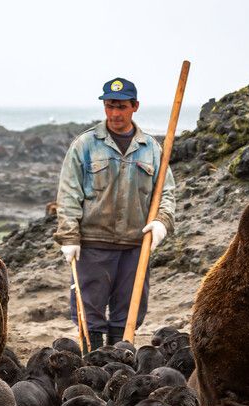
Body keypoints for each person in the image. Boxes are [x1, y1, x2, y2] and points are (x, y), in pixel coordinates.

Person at [54, 77, 176, 350]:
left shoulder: (152, 150)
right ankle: (93, 360)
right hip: (93, 244)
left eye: (121, 106)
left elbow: (167, 193)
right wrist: (69, 235)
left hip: (135, 245)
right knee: (89, 314)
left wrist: (161, 223)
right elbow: (68, 194)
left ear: (135, 106)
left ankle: (121, 362)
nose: (115, 113)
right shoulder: (85, 145)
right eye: (110, 106)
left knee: (128, 313)